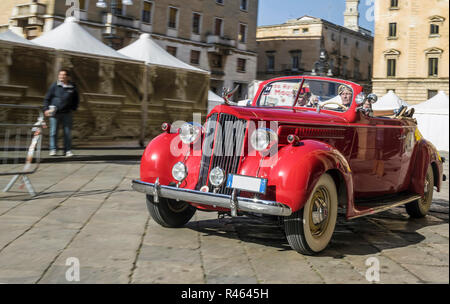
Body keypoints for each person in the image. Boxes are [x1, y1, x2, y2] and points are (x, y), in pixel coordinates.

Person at [43, 69, 79, 157]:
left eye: (63, 75)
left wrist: (73, 108)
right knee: (53, 132)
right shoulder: (54, 85)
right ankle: (53, 149)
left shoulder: (72, 86)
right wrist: (46, 109)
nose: (61, 77)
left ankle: (67, 151)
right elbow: (47, 98)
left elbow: (76, 99)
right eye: (60, 75)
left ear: (68, 77)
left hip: (67, 113)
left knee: (67, 132)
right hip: (55, 113)